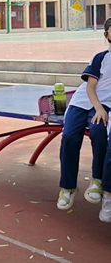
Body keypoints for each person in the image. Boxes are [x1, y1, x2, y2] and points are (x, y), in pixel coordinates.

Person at [58, 17, 111, 223]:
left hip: (106, 103)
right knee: (69, 136)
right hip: (84, 101)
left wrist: (102, 108)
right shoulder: (101, 57)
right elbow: (90, 87)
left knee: (99, 131)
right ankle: (68, 186)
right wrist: (98, 108)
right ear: (106, 35)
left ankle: (97, 179)